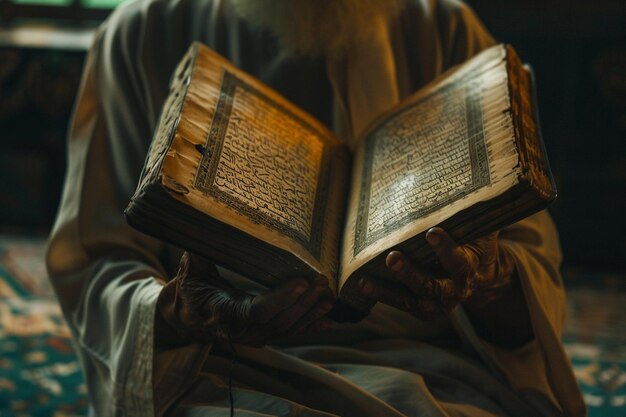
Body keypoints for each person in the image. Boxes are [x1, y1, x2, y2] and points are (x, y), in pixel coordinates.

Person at [46, 0, 586, 416]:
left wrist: (485, 281)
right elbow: (98, 265)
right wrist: (185, 313)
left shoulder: (444, 30)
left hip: (437, 376)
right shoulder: (142, 34)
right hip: (228, 372)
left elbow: (529, 275)